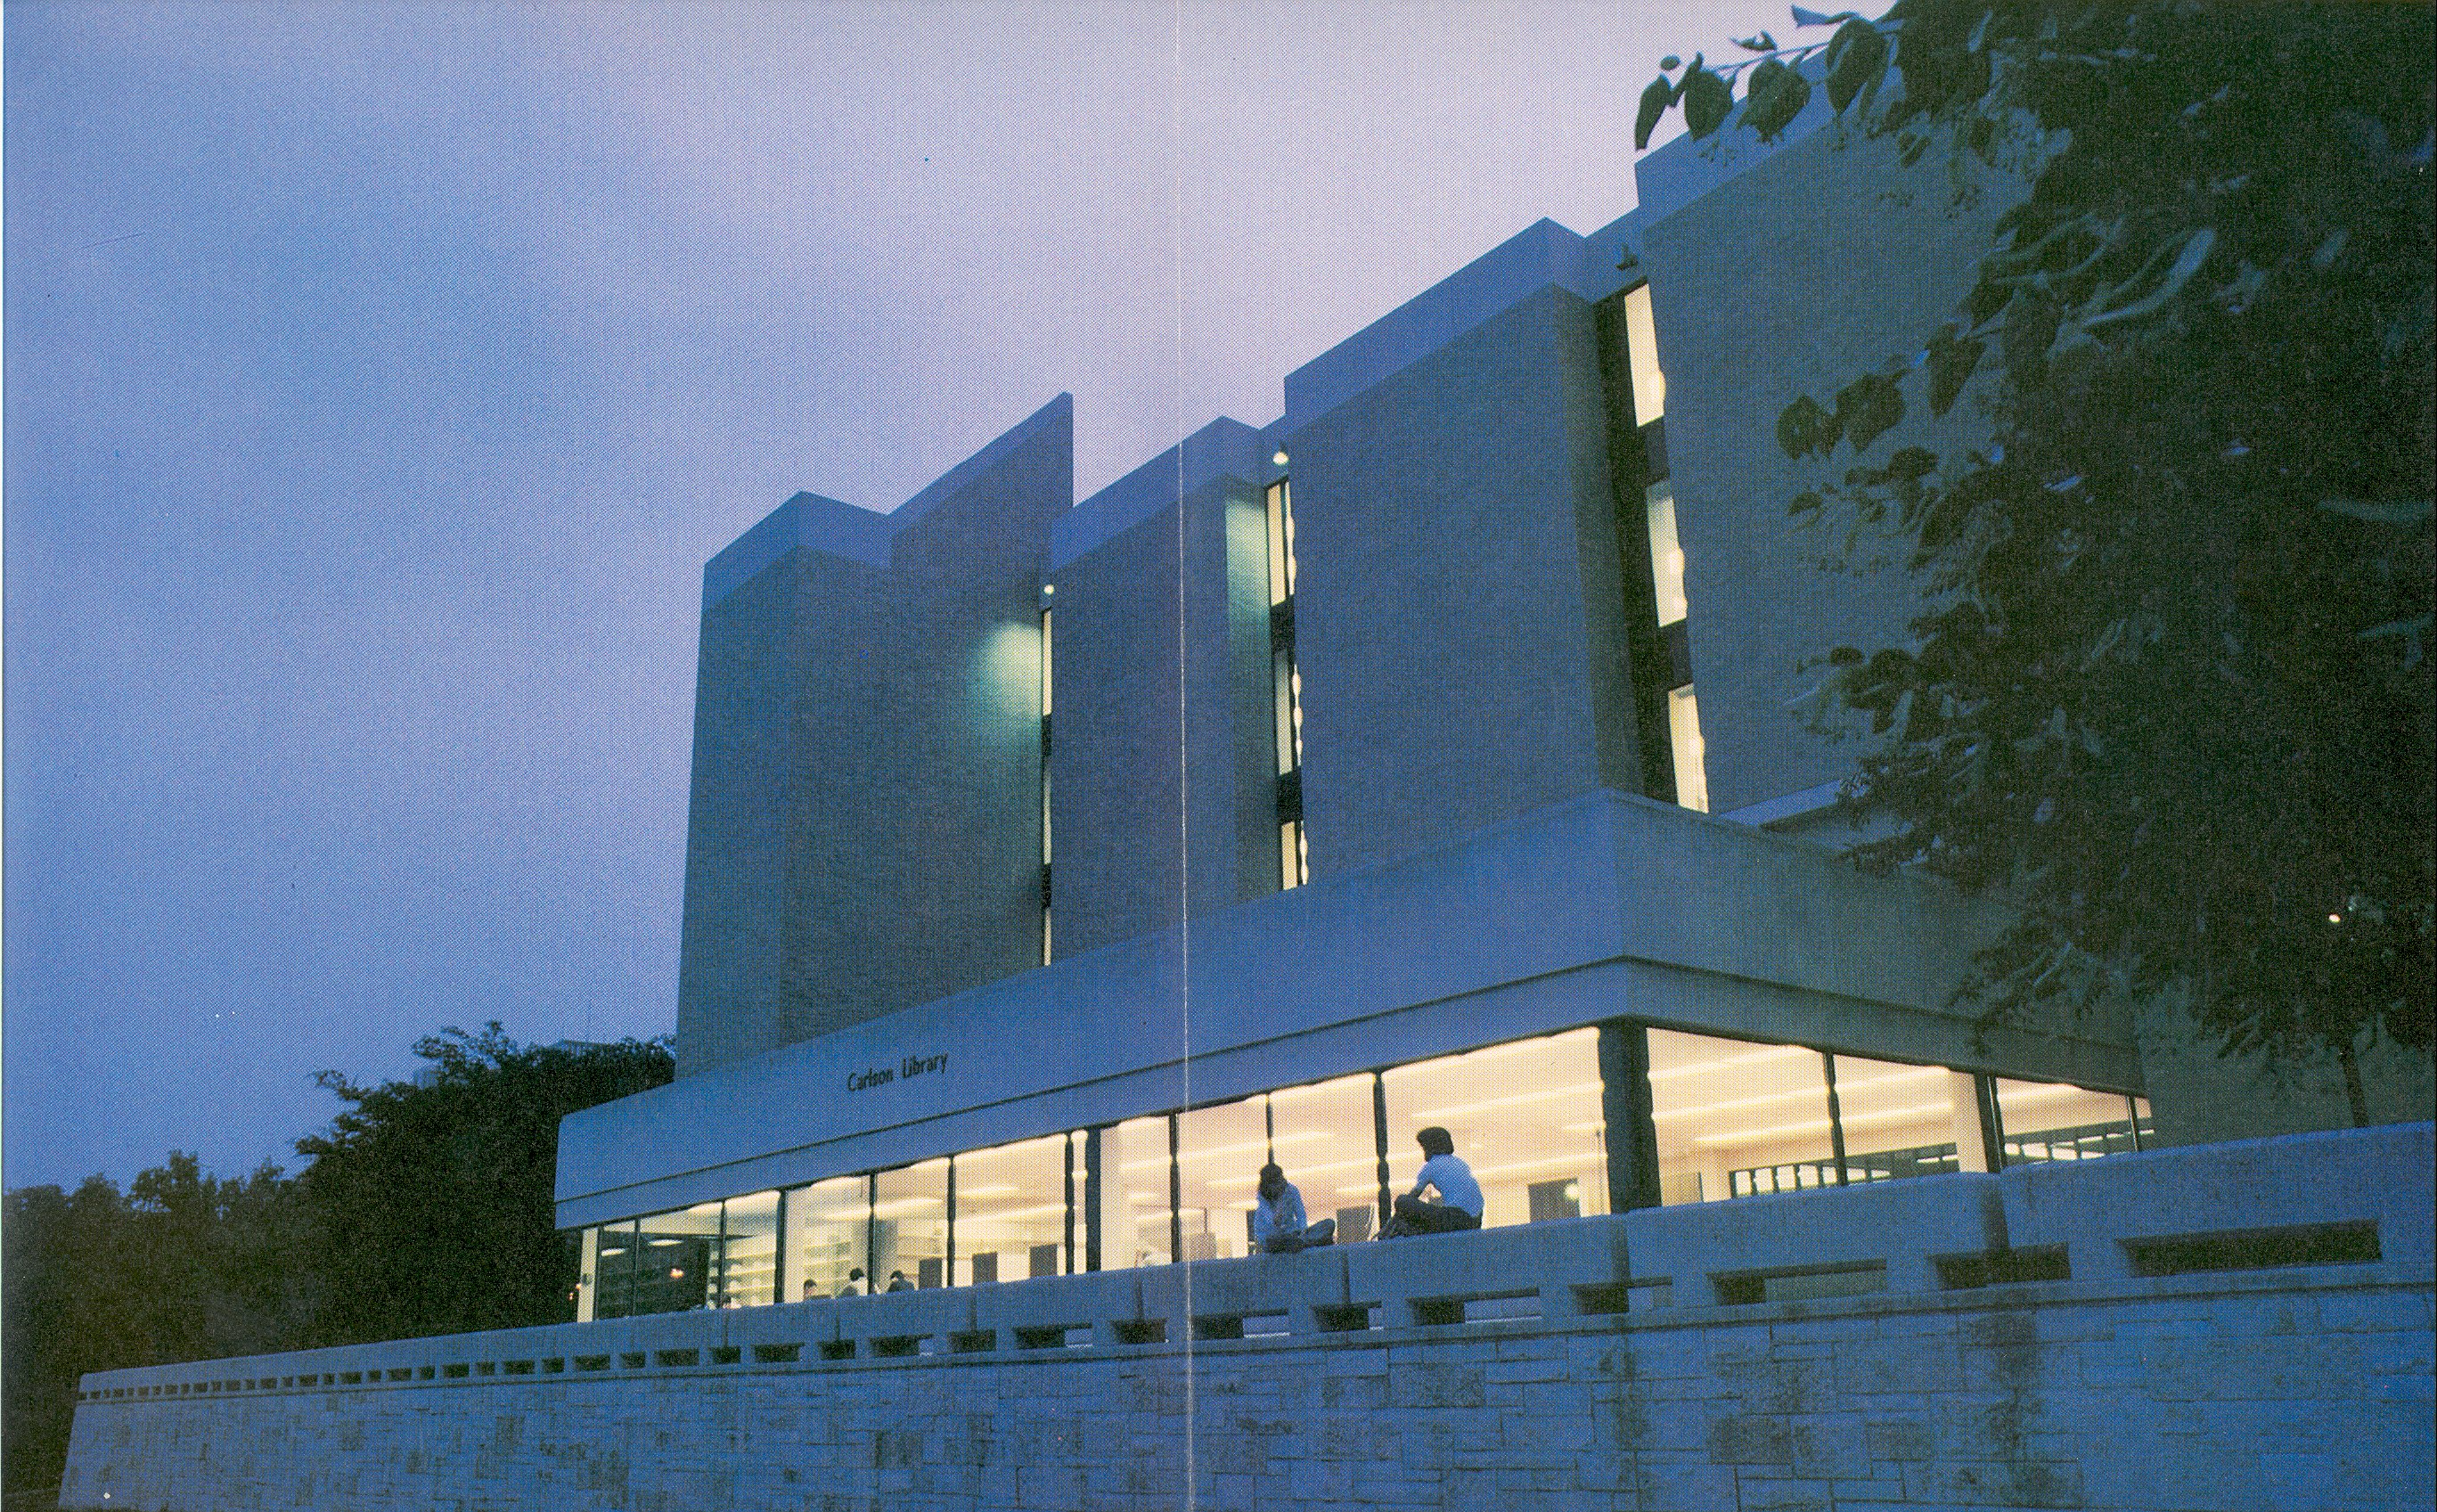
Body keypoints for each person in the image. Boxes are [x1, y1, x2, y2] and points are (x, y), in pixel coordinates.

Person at [1381, 1126, 1483, 1237]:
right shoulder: (1460, 1162)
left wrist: (1391, 1223)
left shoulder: (1430, 1167)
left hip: (1456, 1218)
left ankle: (1401, 1231)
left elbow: (1412, 1197)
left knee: (1403, 1201)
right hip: (1476, 1219)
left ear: (1430, 1147)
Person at [1251, 1163, 1337, 1254]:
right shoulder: (1262, 1202)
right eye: (1275, 1184)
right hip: (1273, 1238)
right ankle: (1309, 1242)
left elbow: (1301, 1214)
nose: (1279, 1186)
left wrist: (1302, 1232)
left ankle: (1302, 1242)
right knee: (1276, 1241)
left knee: (1329, 1223)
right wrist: (1280, 1207)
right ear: (1267, 1185)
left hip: (1294, 1234)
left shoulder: (1292, 1190)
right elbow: (1275, 1223)